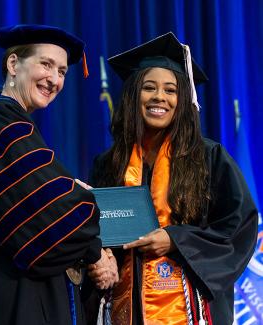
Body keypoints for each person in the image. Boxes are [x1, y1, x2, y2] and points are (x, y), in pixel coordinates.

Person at [0, 24, 118, 325]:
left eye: (62, 71)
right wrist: (93, 249)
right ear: (13, 64)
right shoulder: (1, 117)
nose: (54, 79)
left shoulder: (2, 119)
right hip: (4, 298)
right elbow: (46, 206)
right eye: (45, 64)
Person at [89, 32, 258, 325]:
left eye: (171, 90)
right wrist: (98, 255)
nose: (159, 98)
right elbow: (96, 229)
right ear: (133, 96)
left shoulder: (208, 157)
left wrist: (176, 239)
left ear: (182, 101)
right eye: (149, 88)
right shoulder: (109, 164)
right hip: (122, 307)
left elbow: (239, 227)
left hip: (187, 309)